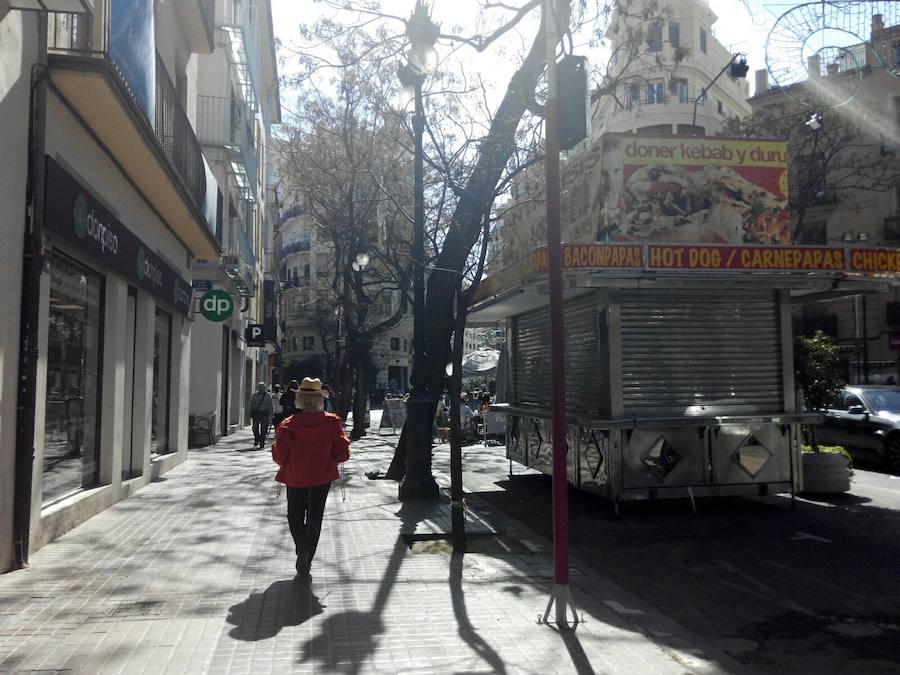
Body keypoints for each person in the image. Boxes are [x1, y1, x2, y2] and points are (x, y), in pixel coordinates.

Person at [272, 377, 350, 577]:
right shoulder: (331, 422)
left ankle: (301, 547)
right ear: (319, 400)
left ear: (300, 399)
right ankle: (308, 555)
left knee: (295, 515)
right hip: (321, 475)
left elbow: (280, 456)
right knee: (315, 516)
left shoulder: (288, 425)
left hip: (295, 475)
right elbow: (343, 452)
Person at [249, 382, 274, 448]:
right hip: (256, 413)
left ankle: (262, 442)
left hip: (264, 413)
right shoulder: (254, 395)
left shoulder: (268, 395)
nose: (261, 388)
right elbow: (251, 404)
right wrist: (250, 412)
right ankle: (257, 438)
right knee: (255, 428)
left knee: (264, 428)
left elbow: (270, 405)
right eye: (260, 387)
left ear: (265, 388)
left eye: (262, 387)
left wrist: (271, 414)